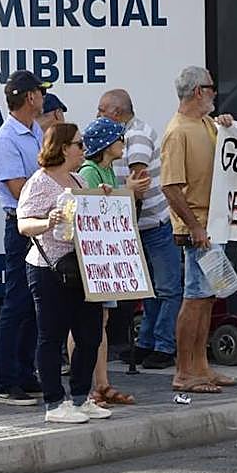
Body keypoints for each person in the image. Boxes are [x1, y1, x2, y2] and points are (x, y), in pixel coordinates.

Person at [16, 123, 111, 424]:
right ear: (63, 147)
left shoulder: (80, 179)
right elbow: (23, 224)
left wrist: (104, 198)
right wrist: (48, 221)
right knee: (51, 334)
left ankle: (81, 397)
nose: (83, 149)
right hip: (50, 268)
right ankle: (54, 402)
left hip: (83, 266)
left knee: (90, 334)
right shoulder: (39, 182)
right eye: (79, 144)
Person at [160, 66, 235, 394]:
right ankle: (183, 371)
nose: (215, 93)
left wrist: (228, 127)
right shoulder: (177, 132)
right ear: (197, 92)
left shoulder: (205, 124)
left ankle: (201, 366)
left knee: (207, 298)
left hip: (214, 223)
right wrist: (194, 227)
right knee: (194, 298)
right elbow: (171, 187)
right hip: (199, 228)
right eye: (211, 87)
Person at [99, 88, 182, 370]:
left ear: (117, 113)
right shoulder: (125, 134)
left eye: (102, 111)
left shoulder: (136, 137)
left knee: (167, 288)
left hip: (152, 224)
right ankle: (147, 342)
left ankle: (163, 346)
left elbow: (139, 183)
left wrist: (124, 210)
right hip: (141, 225)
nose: (98, 115)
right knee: (151, 290)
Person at [0, 70, 50, 406]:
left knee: (32, 304)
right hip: (21, 225)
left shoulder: (35, 131)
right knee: (16, 302)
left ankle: (26, 373)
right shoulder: (5, 139)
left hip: (40, 224)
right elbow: (18, 189)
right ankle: (6, 380)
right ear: (30, 97)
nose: (43, 97)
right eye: (41, 92)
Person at [76, 116, 144, 406]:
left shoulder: (106, 172)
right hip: (93, 257)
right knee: (83, 323)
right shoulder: (90, 172)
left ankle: (102, 383)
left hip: (105, 256)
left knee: (101, 320)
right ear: (105, 144)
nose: (123, 144)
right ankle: (89, 384)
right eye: (118, 139)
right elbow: (92, 210)